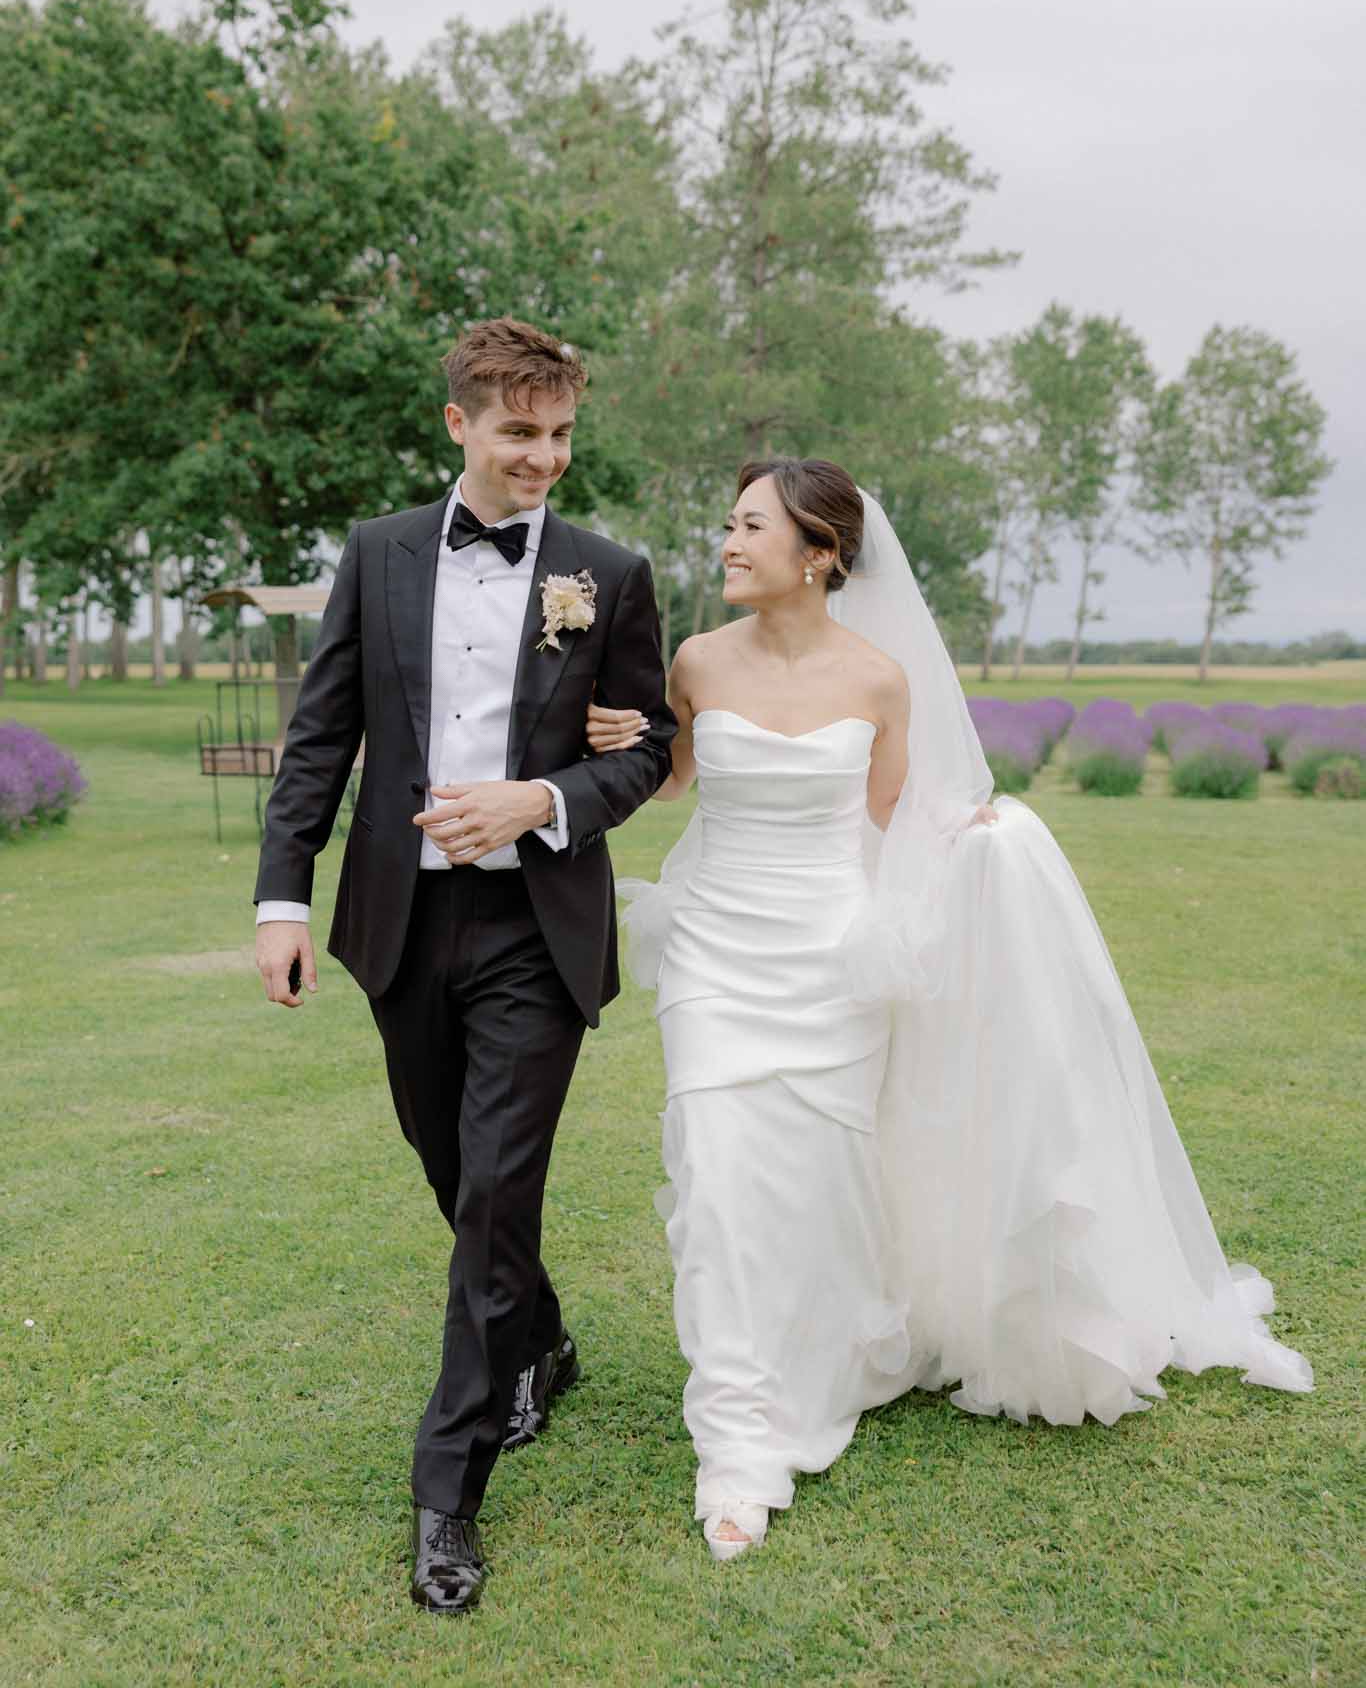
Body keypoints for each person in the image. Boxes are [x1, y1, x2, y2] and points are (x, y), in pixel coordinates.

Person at [588, 457, 1313, 1562]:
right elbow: (678, 774)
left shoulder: (880, 679)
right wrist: (620, 740)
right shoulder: (695, 659)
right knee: (721, 1175)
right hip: (716, 954)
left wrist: (980, 842)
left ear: (818, 553)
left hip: (831, 957)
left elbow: (892, 819)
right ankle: (736, 1440)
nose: (726, 544)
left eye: (748, 527)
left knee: (824, 1185)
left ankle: (837, 1352)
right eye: (726, 524)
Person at [252, 318, 675, 1612]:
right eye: (517, 433)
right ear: (459, 425)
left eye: (558, 434)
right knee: (451, 1171)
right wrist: (281, 896)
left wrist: (540, 802)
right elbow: (321, 736)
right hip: (403, 924)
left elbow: (646, 745)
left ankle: (450, 1491)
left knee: (494, 1195)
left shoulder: (609, 573)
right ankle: (538, 1334)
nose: (543, 458)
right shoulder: (377, 555)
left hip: (537, 937)